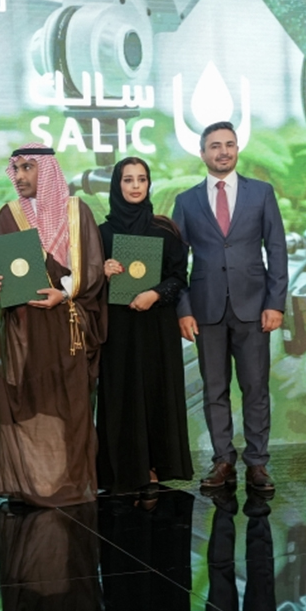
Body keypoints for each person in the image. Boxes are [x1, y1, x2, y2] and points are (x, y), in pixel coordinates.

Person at [0, 144, 107, 508]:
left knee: (68, 403)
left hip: (66, 323)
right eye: (16, 168)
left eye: (28, 168)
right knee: (29, 402)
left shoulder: (77, 211)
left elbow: (93, 267)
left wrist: (63, 292)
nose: (20, 176)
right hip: (24, 328)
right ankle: (31, 483)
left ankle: (68, 482)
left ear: (48, 170)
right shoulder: (7, 215)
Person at [173, 121, 288, 495]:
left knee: (255, 388)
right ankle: (223, 459)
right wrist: (183, 309)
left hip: (254, 308)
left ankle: (257, 463)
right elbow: (175, 263)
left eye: (229, 144)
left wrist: (275, 303)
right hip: (206, 310)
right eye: (215, 146)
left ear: (237, 149)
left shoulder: (262, 193)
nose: (223, 151)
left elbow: (277, 250)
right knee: (214, 390)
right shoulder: (186, 201)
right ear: (202, 153)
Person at [97, 157, 193, 495]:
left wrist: (154, 294)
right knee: (122, 393)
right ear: (117, 185)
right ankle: (123, 469)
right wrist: (103, 271)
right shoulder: (102, 233)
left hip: (156, 325)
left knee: (156, 391)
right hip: (119, 328)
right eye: (128, 180)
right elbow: (88, 282)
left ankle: (156, 466)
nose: (136, 186)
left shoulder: (164, 230)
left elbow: (178, 277)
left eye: (142, 179)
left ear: (149, 184)